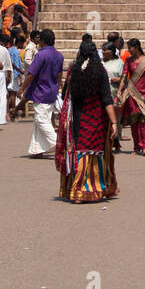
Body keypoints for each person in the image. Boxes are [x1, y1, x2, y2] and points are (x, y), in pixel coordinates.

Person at [55, 38, 119, 202]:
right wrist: (113, 123)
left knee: (79, 151)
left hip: (78, 119)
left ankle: (75, 190)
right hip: (96, 120)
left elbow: (66, 96)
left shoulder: (73, 71)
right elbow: (107, 99)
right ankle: (89, 188)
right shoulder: (100, 71)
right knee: (93, 152)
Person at [15, 28, 64, 157]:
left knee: (41, 120)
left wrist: (22, 89)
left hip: (41, 91)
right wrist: (59, 85)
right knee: (41, 120)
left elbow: (31, 74)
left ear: (42, 41)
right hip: (51, 90)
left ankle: (60, 144)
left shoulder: (41, 54)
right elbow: (60, 73)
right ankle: (37, 149)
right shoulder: (59, 55)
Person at [116, 38, 145, 156]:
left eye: (130, 48)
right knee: (134, 121)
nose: (129, 50)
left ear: (136, 47)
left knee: (144, 121)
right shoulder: (128, 61)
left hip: (143, 95)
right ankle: (137, 146)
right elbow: (124, 76)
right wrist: (120, 90)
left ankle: (144, 146)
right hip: (132, 94)